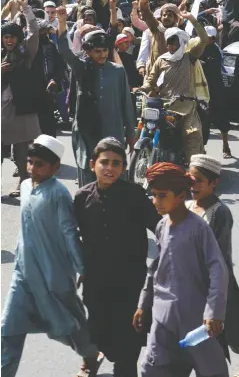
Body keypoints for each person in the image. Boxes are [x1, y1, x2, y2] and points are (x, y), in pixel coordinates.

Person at [1, 135, 103, 377]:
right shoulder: (25, 187)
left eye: (40, 164)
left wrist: (82, 269)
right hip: (23, 272)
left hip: (52, 273)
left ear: (56, 167)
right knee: (8, 327)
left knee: (69, 324)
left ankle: (91, 354)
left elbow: (70, 234)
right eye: (30, 162)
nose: (33, 169)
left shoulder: (58, 194)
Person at [74, 138, 160, 377]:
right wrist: (77, 268)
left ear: (124, 167)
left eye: (116, 163)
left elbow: (160, 228)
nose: (110, 168)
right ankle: (92, 360)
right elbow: (72, 238)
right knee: (96, 328)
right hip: (96, 283)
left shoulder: (134, 195)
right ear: (92, 164)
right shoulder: (82, 198)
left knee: (127, 342)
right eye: (104, 162)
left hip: (130, 284)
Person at [133, 163, 229, 377]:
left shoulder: (199, 229)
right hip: (163, 316)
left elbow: (218, 269)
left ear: (180, 195)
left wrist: (213, 312)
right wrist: (144, 303)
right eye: (154, 195)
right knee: (152, 369)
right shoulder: (161, 226)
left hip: (195, 318)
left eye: (161, 195)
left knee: (211, 370)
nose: (155, 201)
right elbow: (156, 268)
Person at [188, 155, 239, 376]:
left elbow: (218, 258)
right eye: (190, 179)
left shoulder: (220, 213)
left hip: (217, 288)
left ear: (214, 183)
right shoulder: (185, 205)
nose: (193, 185)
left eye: (199, 180)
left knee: (232, 338)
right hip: (192, 288)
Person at [57, 6, 136, 186]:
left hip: (113, 129)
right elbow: (64, 51)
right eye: (97, 51)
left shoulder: (117, 71)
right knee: (88, 170)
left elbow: (126, 104)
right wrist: (62, 23)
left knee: (113, 171)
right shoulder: (81, 68)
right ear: (89, 52)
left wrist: (131, 134)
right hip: (86, 130)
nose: (102, 55)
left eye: (104, 51)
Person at [142, 13, 210, 161]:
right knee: (153, 131)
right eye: (169, 43)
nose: (171, 47)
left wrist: (192, 19)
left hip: (187, 107)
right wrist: (144, 88)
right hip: (166, 106)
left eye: (174, 43)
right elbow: (151, 80)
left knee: (192, 136)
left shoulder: (189, 57)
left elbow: (204, 39)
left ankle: (195, 171)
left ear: (181, 43)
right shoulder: (162, 59)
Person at [1, 0, 41, 195]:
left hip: (20, 107)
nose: (9, 41)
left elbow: (34, 33)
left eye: (12, 37)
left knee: (21, 149)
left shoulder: (26, 54)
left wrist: (27, 9)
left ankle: (24, 183)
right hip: (2, 109)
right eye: (6, 37)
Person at [199, 25, 233, 158]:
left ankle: (226, 146)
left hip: (215, 90)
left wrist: (200, 63)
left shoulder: (215, 51)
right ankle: (201, 149)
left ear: (213, 39)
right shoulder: (196, 48)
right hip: (199, 90)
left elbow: (211, 68)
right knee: (202, 121)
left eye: (207, 37)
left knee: (221, 119)